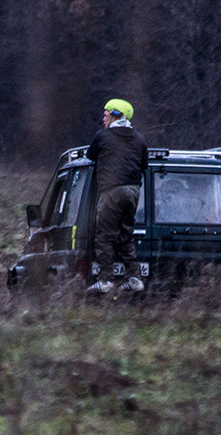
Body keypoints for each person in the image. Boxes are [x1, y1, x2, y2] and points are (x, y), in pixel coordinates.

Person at [86, 98, 148, 295]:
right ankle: (135, 278)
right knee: (126, 236)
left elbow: (90, 155)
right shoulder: (140, 139)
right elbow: (144, 166)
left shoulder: (102, 136)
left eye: (106, 115)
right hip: (133, 192)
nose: (103, 119)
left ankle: (105, 281)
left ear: (114, 116)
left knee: (104, 236)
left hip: (112, 190)